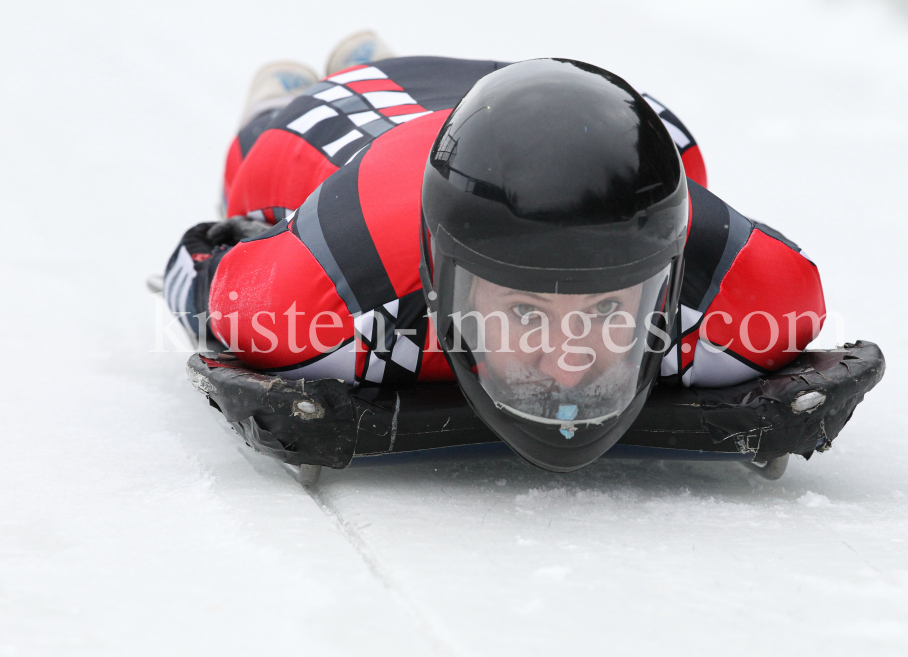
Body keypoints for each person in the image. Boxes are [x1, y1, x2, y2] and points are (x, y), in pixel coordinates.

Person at [163, 32, 825, 470]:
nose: (568, 373)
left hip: (581, 112)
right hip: (353, 121)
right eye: (529, 313)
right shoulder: (314, 299)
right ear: (444, 283)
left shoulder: (745, 293)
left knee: (679, 151)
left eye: (604, 311)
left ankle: (360, 56)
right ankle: (303, 87)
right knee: (263, 155)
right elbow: (197, 263)